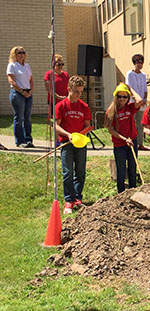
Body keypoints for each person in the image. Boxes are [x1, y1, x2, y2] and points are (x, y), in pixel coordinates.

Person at [55, 76, 92, 214]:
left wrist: (81, 134)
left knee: (80, 172)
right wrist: (69, 135)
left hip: (80, 143)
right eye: (76, 91)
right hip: (66, 143)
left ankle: (77, 198)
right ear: (69, 89)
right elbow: (56, 126)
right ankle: (68, 200)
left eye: (81, 92)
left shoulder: (84, 107)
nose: (78, 94)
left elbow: (87, 125)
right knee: (68, 172)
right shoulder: (61, 106)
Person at [104, 83, 145, 193]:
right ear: (116, 97)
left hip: (132, 141)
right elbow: (111, 130)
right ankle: (121, 194)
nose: (122, 99)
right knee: (121, 169)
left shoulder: (130, 108)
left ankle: (133, 191)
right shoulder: (111, 111)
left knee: (132, 167)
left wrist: (130, 89)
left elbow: (140, 101)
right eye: (120, 96)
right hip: (120, 144)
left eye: (125, 97)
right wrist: (124, 139)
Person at [6, 46, 34, 148]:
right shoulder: (12, 65)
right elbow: (11, 81)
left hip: (28, 93)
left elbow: (31, 79)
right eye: (19, 53)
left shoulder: (27, 66)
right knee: (19, 117)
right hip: (17, 94)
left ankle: (28, 139)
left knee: (27, 118)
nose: (21, 55)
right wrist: (22, 91)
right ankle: (20, 141)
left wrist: (30, 91)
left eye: (23, 52)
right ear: (14, 54)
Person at [125, 54, 149, 150]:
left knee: (140, 123)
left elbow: (145, 88)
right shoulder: (130, 74)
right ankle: (131, 141)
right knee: (131, 122)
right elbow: (129, 87)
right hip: (132, 101)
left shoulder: (143, 75)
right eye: (137, 63)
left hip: (142, 103)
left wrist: (144, 99)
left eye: (141, 62)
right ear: (134, 64)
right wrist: (136, 99)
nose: (139, 65)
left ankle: (140, 143)